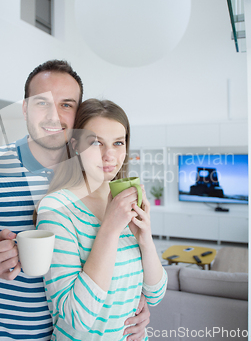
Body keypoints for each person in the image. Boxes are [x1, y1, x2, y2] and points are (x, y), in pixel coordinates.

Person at [0, 60, 151, 341]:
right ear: (25, 108)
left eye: (66, 105)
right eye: (41, 103)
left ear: (78, 116)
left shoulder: (97, 177)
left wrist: (133, 303)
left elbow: (117, 256)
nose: (54, 116)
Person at [36, 99, 167, 340]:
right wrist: (109, 229)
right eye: (96, 142)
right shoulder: (56, 209)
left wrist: (145, 239)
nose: (110, 155)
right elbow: (77, 317)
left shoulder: (124, 201)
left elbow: (156, 294)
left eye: (118, 143)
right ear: (75, 145)